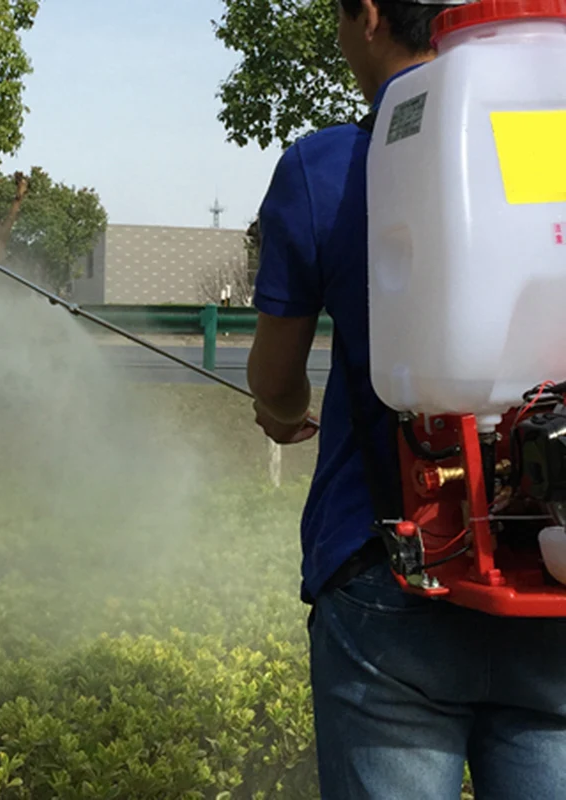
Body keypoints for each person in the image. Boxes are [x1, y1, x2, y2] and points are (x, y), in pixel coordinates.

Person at [246, 0, 566, 797]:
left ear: (370, 15)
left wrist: (281, 413)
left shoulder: (324, 167)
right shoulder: (550, 138)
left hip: (393, 574)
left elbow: (274, 377)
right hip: (553, 578)